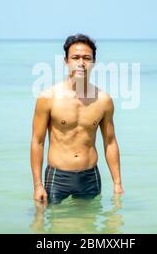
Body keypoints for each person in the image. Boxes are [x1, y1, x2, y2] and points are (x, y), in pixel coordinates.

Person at [30, 33, 124, 204]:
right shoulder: (48, 97)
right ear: (66, 61)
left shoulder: (103, 100)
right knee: (53, 225)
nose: (81, 63)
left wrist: (117, 183)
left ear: (94, 62)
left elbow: (110, 142)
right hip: (57, 177)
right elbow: (37, 142)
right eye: (75, 57)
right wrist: (37, 185)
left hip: (90, 177)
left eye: (87, 58)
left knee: (90, 225)